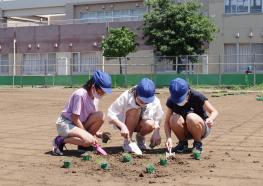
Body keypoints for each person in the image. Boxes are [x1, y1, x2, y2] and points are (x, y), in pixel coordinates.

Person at [52, 70, 112, 155]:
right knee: (89, 140)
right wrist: (89, 136)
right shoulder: (80, 94)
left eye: (104, 92)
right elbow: (75, 118)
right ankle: (59, 140)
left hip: (79, 123)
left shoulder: (95, 97)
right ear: (93, 86)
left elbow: (91, 118)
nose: (102, 94)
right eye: (101, 91)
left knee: (101, 115)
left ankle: (83, 145)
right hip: (66, 124)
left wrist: (99, 134)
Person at [107, 78, 163, 153]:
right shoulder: (126, 96)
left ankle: (140, 138)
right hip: (125, 125)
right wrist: (122, 126)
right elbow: (111, 113)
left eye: (147, 102)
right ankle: (127, 142)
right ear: (136, 93)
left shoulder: (155, 100)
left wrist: (156, 132)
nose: (144, 103)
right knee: (135, 110)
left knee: (151, 124)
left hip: (140, 125)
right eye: (141, 101)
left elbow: (158, 117)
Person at [164, 78, 218, 153]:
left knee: (191, 117)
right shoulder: (171, 100)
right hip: (185, 130)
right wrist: (168, 138)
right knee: (173, 118)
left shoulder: (197, 96)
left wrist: (211, 119)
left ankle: (197, 144)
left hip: (201, 129)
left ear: (188, 91)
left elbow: (214, 111)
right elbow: (167, 122)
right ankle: (182, 144)